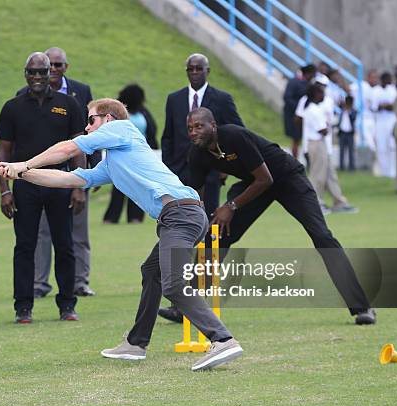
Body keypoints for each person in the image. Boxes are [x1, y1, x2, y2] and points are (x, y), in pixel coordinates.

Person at [0, 98, 243, 371]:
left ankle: (222, 339)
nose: (87, 128)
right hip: (177, 217)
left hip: (181, 214)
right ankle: (135, 344)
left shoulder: (122, 129)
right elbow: (69, 179)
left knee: (173, 285)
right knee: (152, 272)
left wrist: (26, 162)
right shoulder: (112, 162)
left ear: (108, 119)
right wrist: (22, 173)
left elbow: (68, 148)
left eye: (91, 121)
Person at [185, 107, 376, 326]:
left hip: (287, 178)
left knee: (322, 237)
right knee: (216, 235)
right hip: (253, 185)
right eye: (190, 128)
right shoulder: (197, 153)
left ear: (213, 125)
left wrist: (231, 205)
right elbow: (194, 193)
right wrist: (196, 219)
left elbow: (266, 179)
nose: (193, 132)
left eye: (199, 126)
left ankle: (362, 307)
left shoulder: (235, 135)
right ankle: (187, 305)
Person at [0, 52, 84, 324]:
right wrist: (5, 190)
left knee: (65, 244)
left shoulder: (68, 104)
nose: (36, 77)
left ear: (51, 74)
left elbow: (79, 147)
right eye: (31, 72)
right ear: (25, 74)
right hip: (25, 185)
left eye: (42, 72)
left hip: (60, 182)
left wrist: (80, 185)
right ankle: (23, 307)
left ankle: (67, 305)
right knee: (25, 246)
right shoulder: (13, 107)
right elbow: (4, 152)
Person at [159, 53, 244, 323]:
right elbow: (168, 137)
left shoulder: (222, 99)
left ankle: (195, 297)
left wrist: (222, 169)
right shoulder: (174, 99)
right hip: (180, 179)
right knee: (180, 236)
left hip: (209, 179)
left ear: (208, 70)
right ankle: (181, 297)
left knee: (207, 235)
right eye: (190, 68)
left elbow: (237, 133)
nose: (194, 72)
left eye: (199, 68)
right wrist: (170, 171)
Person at [23, 47, 97, 298]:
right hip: (41, 175)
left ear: (65, 67)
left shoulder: (81, 92)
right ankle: (39, 283)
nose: (52, 70)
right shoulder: (25, 95)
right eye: (48, 66)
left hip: (74, 174)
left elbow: (91, 133)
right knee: (42, 232)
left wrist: (89, 175)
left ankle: (80, 281)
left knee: (78, 231)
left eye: (57, 65)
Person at [103, 84, 158, 224]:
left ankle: (135, 217)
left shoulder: (142, 112)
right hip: (120, 155)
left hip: (139, 156)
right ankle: (111, 218)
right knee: (119, 187)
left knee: (138, 186)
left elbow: (152, 130)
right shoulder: (118, 113)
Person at [301, 83, 356, 213]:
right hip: (316, 143)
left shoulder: (315, 108)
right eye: (320, 93)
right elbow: (323, 130)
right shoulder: (313, 109)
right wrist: (328, 126)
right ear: (315, 95)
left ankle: (339, 202)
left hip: (321, 144)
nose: (323, 95)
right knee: (318, 175)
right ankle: (316, 203)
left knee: (330, 174)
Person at [283, 64, 316, 159]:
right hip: (294, 116)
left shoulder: (310, 84)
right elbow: (287, 97)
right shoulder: (294, 82)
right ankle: (295, 160)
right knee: (296, 139)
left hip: (306, 116)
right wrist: (299, 109)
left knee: (306, 139)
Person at [373, 72, 397, 178]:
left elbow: (394, 106)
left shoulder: (393, 90)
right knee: (381, 147)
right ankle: (384, 172)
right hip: (380, 122)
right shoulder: (376, 91)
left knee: (392, 146)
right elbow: (375, 107)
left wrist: (385, 105)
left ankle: (393, 171)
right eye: (388, 79)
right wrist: (384, 105)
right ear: (383, 80)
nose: (389, 81)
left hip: (392, 121)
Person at [337, 96, 357, 171]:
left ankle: (351, 167)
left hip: (350, 133)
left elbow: (353, 118)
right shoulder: (342, 110)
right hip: (342, 133)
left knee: (351, 151)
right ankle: (341, 167)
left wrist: (348, 111)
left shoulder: (353, 111)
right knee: (341, 151)